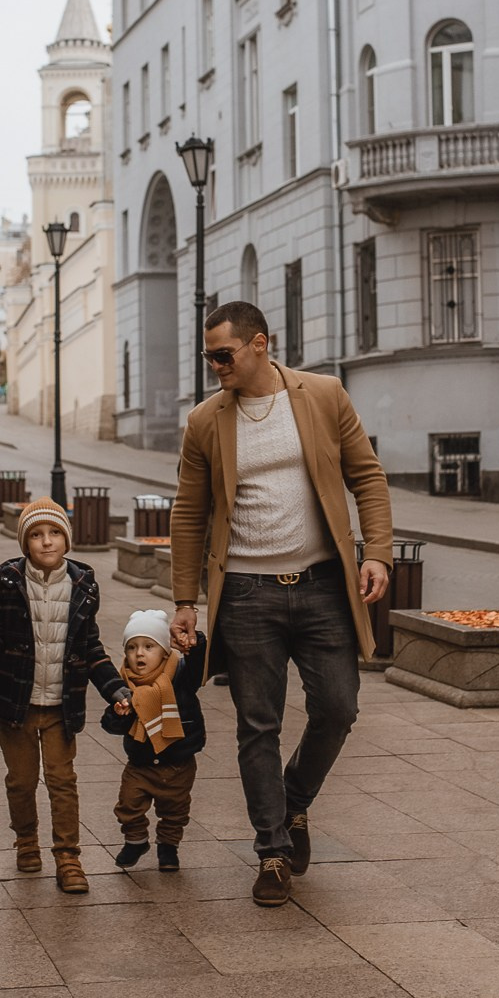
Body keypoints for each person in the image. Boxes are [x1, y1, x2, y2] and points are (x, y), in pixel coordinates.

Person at [170, 301, 393, 908]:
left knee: (338, 708)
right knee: (257, 726)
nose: (215, 366)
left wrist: (377, 552)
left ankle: (293, 800)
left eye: (223, 355)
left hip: (322, 586)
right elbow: (189, 513)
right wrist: (185, 599)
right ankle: (272, 851)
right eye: (208, 357)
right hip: (246, 593)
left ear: (259, 345)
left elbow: (367, 477)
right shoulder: (205, 421)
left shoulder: (323, 395)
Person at [0, 498, 128, 894]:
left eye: (55, 532)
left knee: (62, 781)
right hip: (17, 705)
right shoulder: (8, 581)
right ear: (25, 543)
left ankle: (68, 857)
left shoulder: (83, 584)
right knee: (21, 781)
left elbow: (91, 647)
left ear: (67, 539)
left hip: (62, 705)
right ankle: (27, 842)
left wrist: (115, 689)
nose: (47, 541)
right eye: (37, 535)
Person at [102, 609, 207, 873]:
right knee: (128, 804)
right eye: (132, 647)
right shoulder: (123, 684)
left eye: (149, 646)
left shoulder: (181, 676)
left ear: (164, 651)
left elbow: (198, 665)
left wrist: (194, 643)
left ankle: (168, 847)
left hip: (178, 761)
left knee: (175, 810)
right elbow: (110, 724)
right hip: (140, 762)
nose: (139, 654)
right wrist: (118, 714)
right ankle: (136, 840)